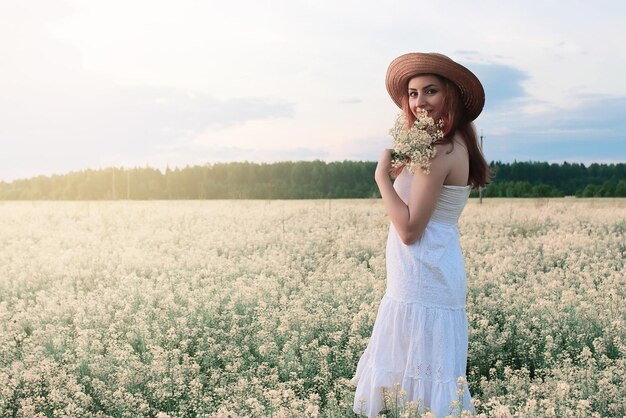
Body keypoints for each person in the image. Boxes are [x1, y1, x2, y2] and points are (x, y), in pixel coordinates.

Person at [351, 52, 489, 417]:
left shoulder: (442, 149)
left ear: (450, 96)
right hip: (422, 275)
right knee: (415, 380)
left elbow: (410, 230)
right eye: (412, 93)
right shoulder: (445, 143)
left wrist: (382, 177)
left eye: (430, 91)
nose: (419, 101)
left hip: (424, 275)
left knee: (421, 385)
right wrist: (405, 168)